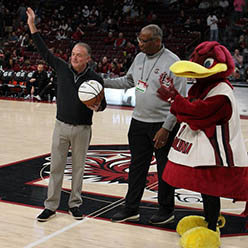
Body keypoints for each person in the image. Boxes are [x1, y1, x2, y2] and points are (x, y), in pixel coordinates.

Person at [26, 7, 106, 222]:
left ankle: (75, 204)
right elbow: (43, 50)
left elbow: (103, 105)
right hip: (60, 126)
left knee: (78, 169)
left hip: (82, 129)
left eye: (79, 56)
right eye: (72, 54)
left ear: (88, 58)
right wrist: (32, 24)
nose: (74, 58)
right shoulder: (61, 67)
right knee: (56, 168)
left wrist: (96, 107)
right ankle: (50, 206)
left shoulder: (95, 79)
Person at [104, 24, 186, 224]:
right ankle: (131, 208)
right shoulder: (139, 58)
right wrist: (101, 81)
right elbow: (127, 82)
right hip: (138, 122)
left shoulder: (174, 63)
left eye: (143, 40)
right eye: (139, 39)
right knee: (137, 168)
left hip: (162, 126)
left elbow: (180, 100)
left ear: (157, 41)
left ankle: (166, 210)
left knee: (164, 170)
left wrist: (166, 129)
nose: (139, 43)